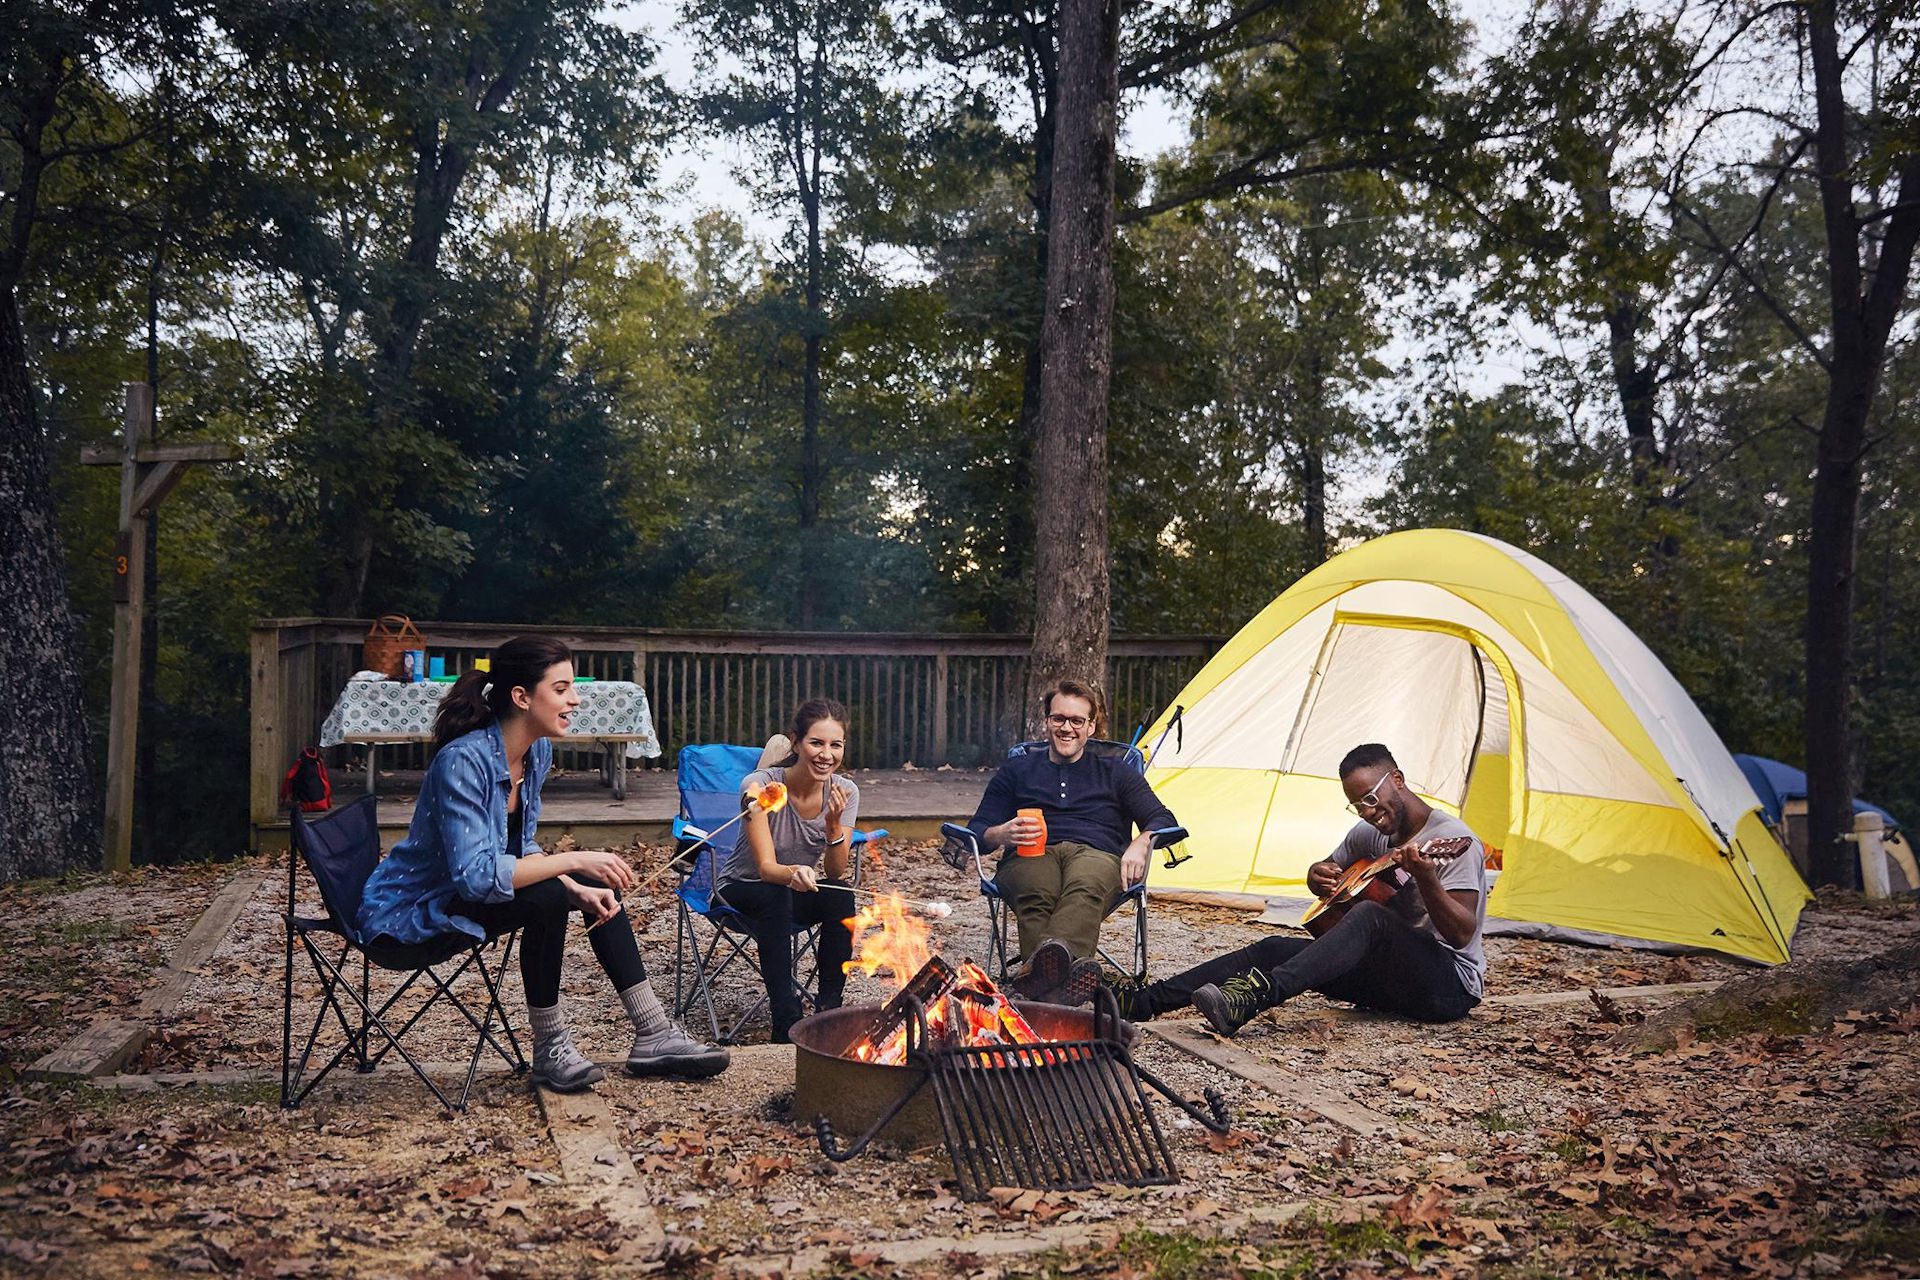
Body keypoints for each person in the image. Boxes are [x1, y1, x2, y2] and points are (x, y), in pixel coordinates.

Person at [357, 636, 729, 1091]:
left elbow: (520, 845)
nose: (575, 700)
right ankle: (550, 1047)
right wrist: (570, 863)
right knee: (551, 892)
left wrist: (576, 882)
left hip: (463, 895)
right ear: (522, 697)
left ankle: (654, 1032)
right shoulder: (463, 761)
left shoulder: (535, 753)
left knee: (590, 884)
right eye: (561, 689)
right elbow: (477, 877)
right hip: (413, 914)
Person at [1095, 743, 1486, 1033]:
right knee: (1273, 947)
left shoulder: (1452, 839)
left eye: (1371, 798)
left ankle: (1254, 998)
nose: (1369, 812)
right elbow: (1328, 871)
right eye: (1357, 805)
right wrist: (1316, 875)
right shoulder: (1369, 834)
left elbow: (1461, 934)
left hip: (1446, 987)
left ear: (1397, 780)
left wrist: (1426, 878)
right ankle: (1144, 1002)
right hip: (1389, 982)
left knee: (1371, 916)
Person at [966, 678, 1178, 997]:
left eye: (1077, 720)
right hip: (1030, 854)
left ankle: (1038, 985)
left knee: (1086, 884)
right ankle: (1063, 987)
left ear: (1091, 726)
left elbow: (1162, 818)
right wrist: (1002, 832)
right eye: (1059, 719)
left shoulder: (1116, 771)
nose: (1067, 728)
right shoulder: (1017, 769)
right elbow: (978, 829)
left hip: (1098, 854)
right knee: (1036, 890)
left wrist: (1142, 841)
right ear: (1047, 721)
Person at [717, 699, 861, 1044]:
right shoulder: (759, 787)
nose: (826, 754)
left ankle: (828, 1012)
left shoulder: (846, 792)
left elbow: (835, 871)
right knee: (776, 894)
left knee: (840, 896)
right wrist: (795, 870)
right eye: (816, 743)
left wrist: (833, 827)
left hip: (790, 890)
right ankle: (786, 1020)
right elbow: (767, 869)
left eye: (835, 745)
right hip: (740, 888)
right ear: (796, 742)